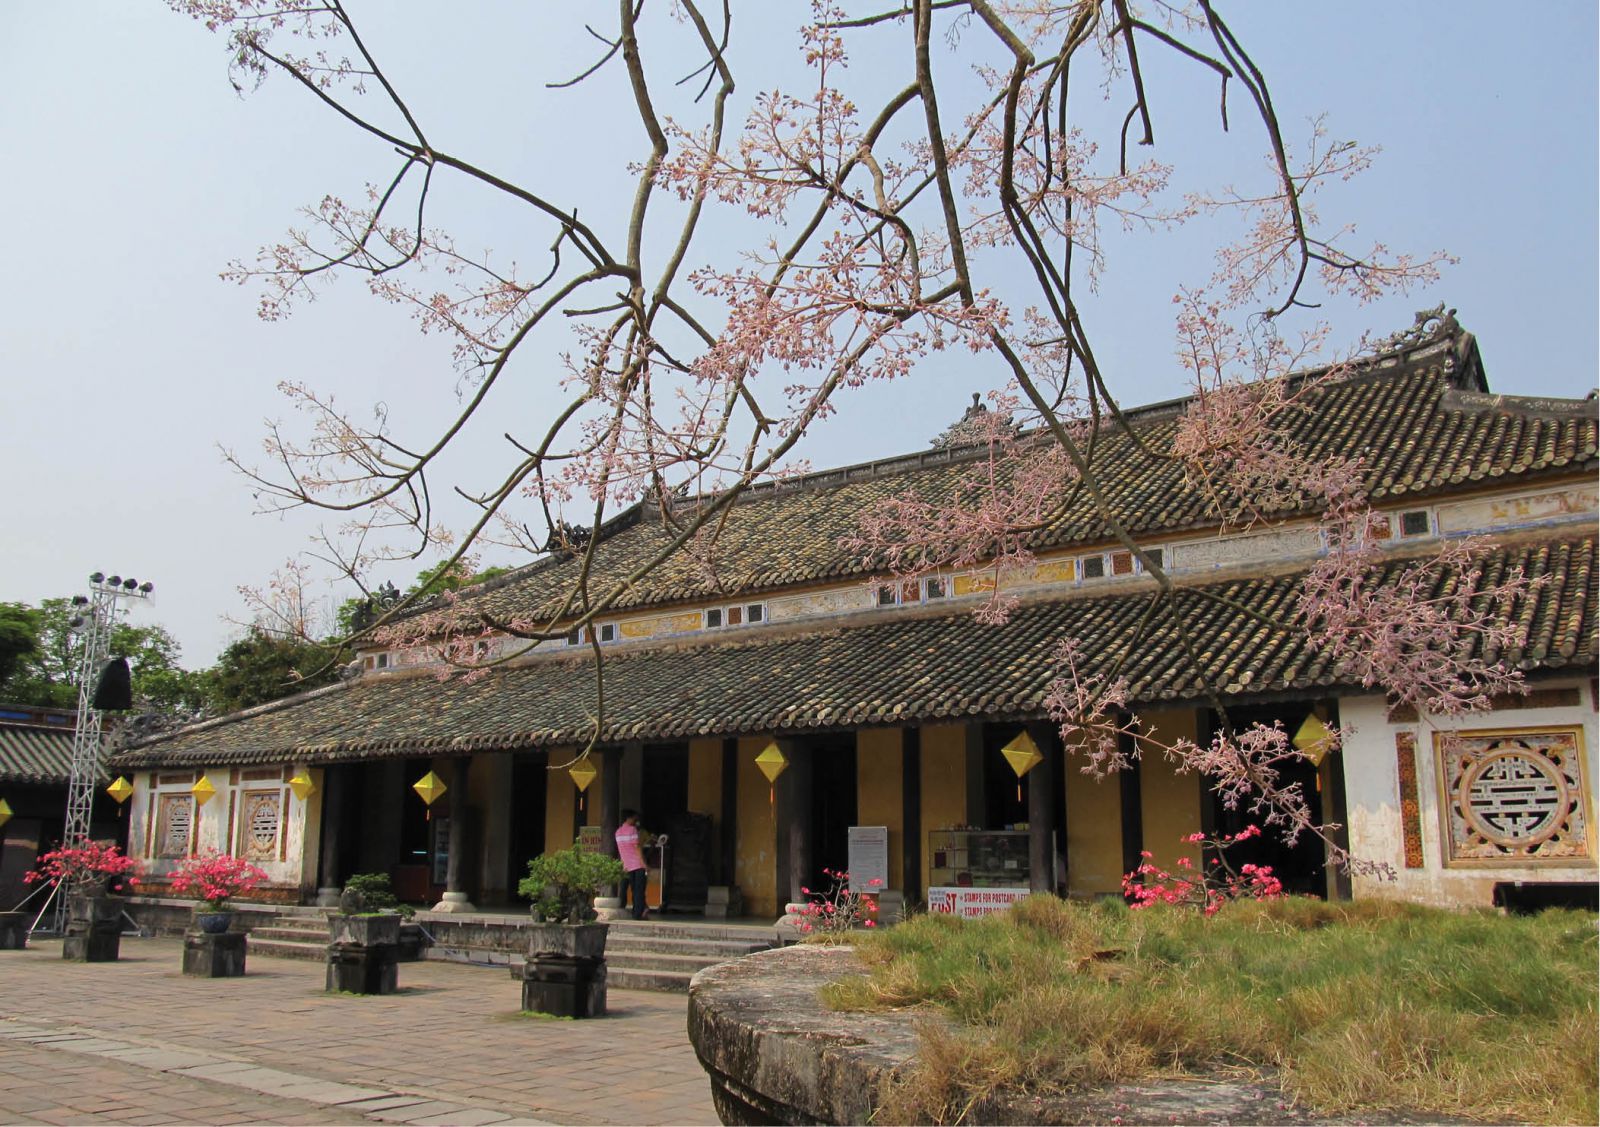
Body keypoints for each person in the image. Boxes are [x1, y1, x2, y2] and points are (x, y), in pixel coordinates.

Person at [615, 809, 648, 920]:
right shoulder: (632, 830)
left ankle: (626, 909)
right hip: (637, 865)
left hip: (626, 866)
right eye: (634, 818)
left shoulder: (618, 832)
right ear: (628, 818)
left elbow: (621, 850)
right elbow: (637, 847)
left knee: (625, 889)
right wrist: (644, 863)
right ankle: (637, 913)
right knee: (638, 891)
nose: (635, 820)